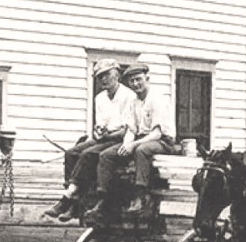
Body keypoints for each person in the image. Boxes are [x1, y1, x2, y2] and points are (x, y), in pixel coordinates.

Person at [42, 61, 134, 221]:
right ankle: (74, 202)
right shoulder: (100, 98)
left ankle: (68, 198)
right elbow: (100, 124)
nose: (104, 80)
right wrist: (99, 131)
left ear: (117, 75)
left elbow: (128, 129)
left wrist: (108, 135)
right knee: (71, 153)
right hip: (104, 138)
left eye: (107, 75)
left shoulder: (128, 96)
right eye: (100, 77)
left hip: (121, 139)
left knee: (88, 154)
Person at [102, 63, 177, 216]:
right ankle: (104, 198)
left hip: (162, 141)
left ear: (147, 79)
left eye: (138, 80)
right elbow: (131, 129)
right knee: (107, 154)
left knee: (142, 150)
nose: (135, 84)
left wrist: (133, 144)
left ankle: (140, 195)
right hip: (141, 138)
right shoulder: (133, 102)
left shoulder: (157, 99)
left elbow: (156, 134)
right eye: (132, 81)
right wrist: (126, 144)